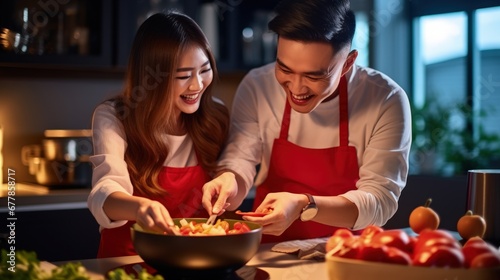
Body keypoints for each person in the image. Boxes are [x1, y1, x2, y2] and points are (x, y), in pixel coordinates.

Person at [202, 0, 412, 243]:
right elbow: (240, 159)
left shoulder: (385, 99)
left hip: (348, 253)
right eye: (285, 69)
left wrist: (305, 205)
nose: (296, 88)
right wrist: (230, 180)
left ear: (347, 63)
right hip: (271, 251)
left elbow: (380, 202)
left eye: (314, 76)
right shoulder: (257, 86)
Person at [87, 11, 230, 257]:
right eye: (183, 76)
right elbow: (105, 192)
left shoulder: (215, 115)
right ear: (153, 77)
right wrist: (140, 208)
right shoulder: (115, 116)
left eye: (205, 70)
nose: (197, 85)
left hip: (195, 262)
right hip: (127, 262)